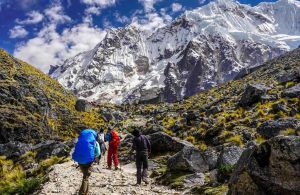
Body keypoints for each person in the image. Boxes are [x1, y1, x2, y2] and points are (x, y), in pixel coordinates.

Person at [72, 128, 100, 195]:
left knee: (85, 175)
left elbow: (75, 149)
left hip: (80, 161)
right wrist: (94, 157)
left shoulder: (80, 141)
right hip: (88, 161)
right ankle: (83, 193)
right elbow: (98, 153)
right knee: (86, 177)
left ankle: (85, 191)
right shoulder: (95, 142)